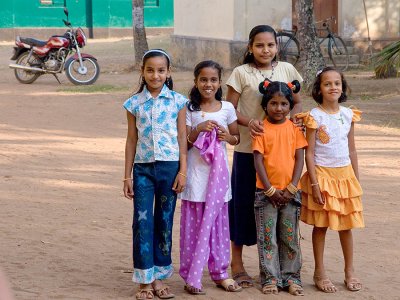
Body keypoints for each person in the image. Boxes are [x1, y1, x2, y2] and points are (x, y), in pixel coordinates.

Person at [226, 24, 303, 287]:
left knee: (280, 214)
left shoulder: (288, 71)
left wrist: (294, 123)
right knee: (242, 206)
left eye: (270, 44)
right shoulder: (240, 73)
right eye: (259, 45)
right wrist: (250, 122)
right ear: (250, 47)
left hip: (281, 155)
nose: (265, 49)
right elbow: (229, 109)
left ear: (277, 46)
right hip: (249, 152)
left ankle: (279, 270)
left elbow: (298, 101)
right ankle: (237, 263)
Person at [123, 49, 188, 300]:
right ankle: (144, 279)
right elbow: (131, 140)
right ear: (142, 72)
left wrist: (182, 171)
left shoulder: (178, 102)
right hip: (142, 169)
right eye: (150, 70)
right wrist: (126, 175)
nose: (155, 75)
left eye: (161, 70)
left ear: (168, 72)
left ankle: (160, 276)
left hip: (169, 168)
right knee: (142, 222)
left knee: (164, 220)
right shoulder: (133, 104)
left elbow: (182, 137)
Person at [296, 67, 364, 293]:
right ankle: (320, 273)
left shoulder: (348, 114)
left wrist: (356, 178)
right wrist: (314, 184)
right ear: (319, 89)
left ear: (342, 87)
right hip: (322, 177)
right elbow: (310, 153)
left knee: (346, 227)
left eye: (337, 83)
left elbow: (352, 150)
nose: (333, 87)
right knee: (321, 226)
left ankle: (350, 272)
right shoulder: (314, 117)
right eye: (328, 84)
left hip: (345, 176)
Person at [179, 60, 242, 295]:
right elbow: (183, 143)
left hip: (218, 182)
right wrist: (198, 129)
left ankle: (220, 273)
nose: (208, 84)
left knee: (219, 228)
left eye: (213, 80)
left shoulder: (227, 108)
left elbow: (236, 138)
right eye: (203, 79)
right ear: (196, 81)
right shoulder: (188, 109)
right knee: (192, 230)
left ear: (219, 82)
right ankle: (190, 275)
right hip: (196, 180)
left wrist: (226, 136)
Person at [252, 80, 307, 296]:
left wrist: (292, 187)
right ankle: (270, 278)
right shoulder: (261, 129)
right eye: (273, 103)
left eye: (284, 104)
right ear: (265, 105)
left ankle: (292, 278)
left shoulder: (294, 129)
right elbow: (257, 161)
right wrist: (270, 190)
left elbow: (300, 158)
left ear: (290, 105)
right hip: (265, 195)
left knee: (289, 236)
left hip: (291, 194)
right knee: (267, 238)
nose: (279, 108)